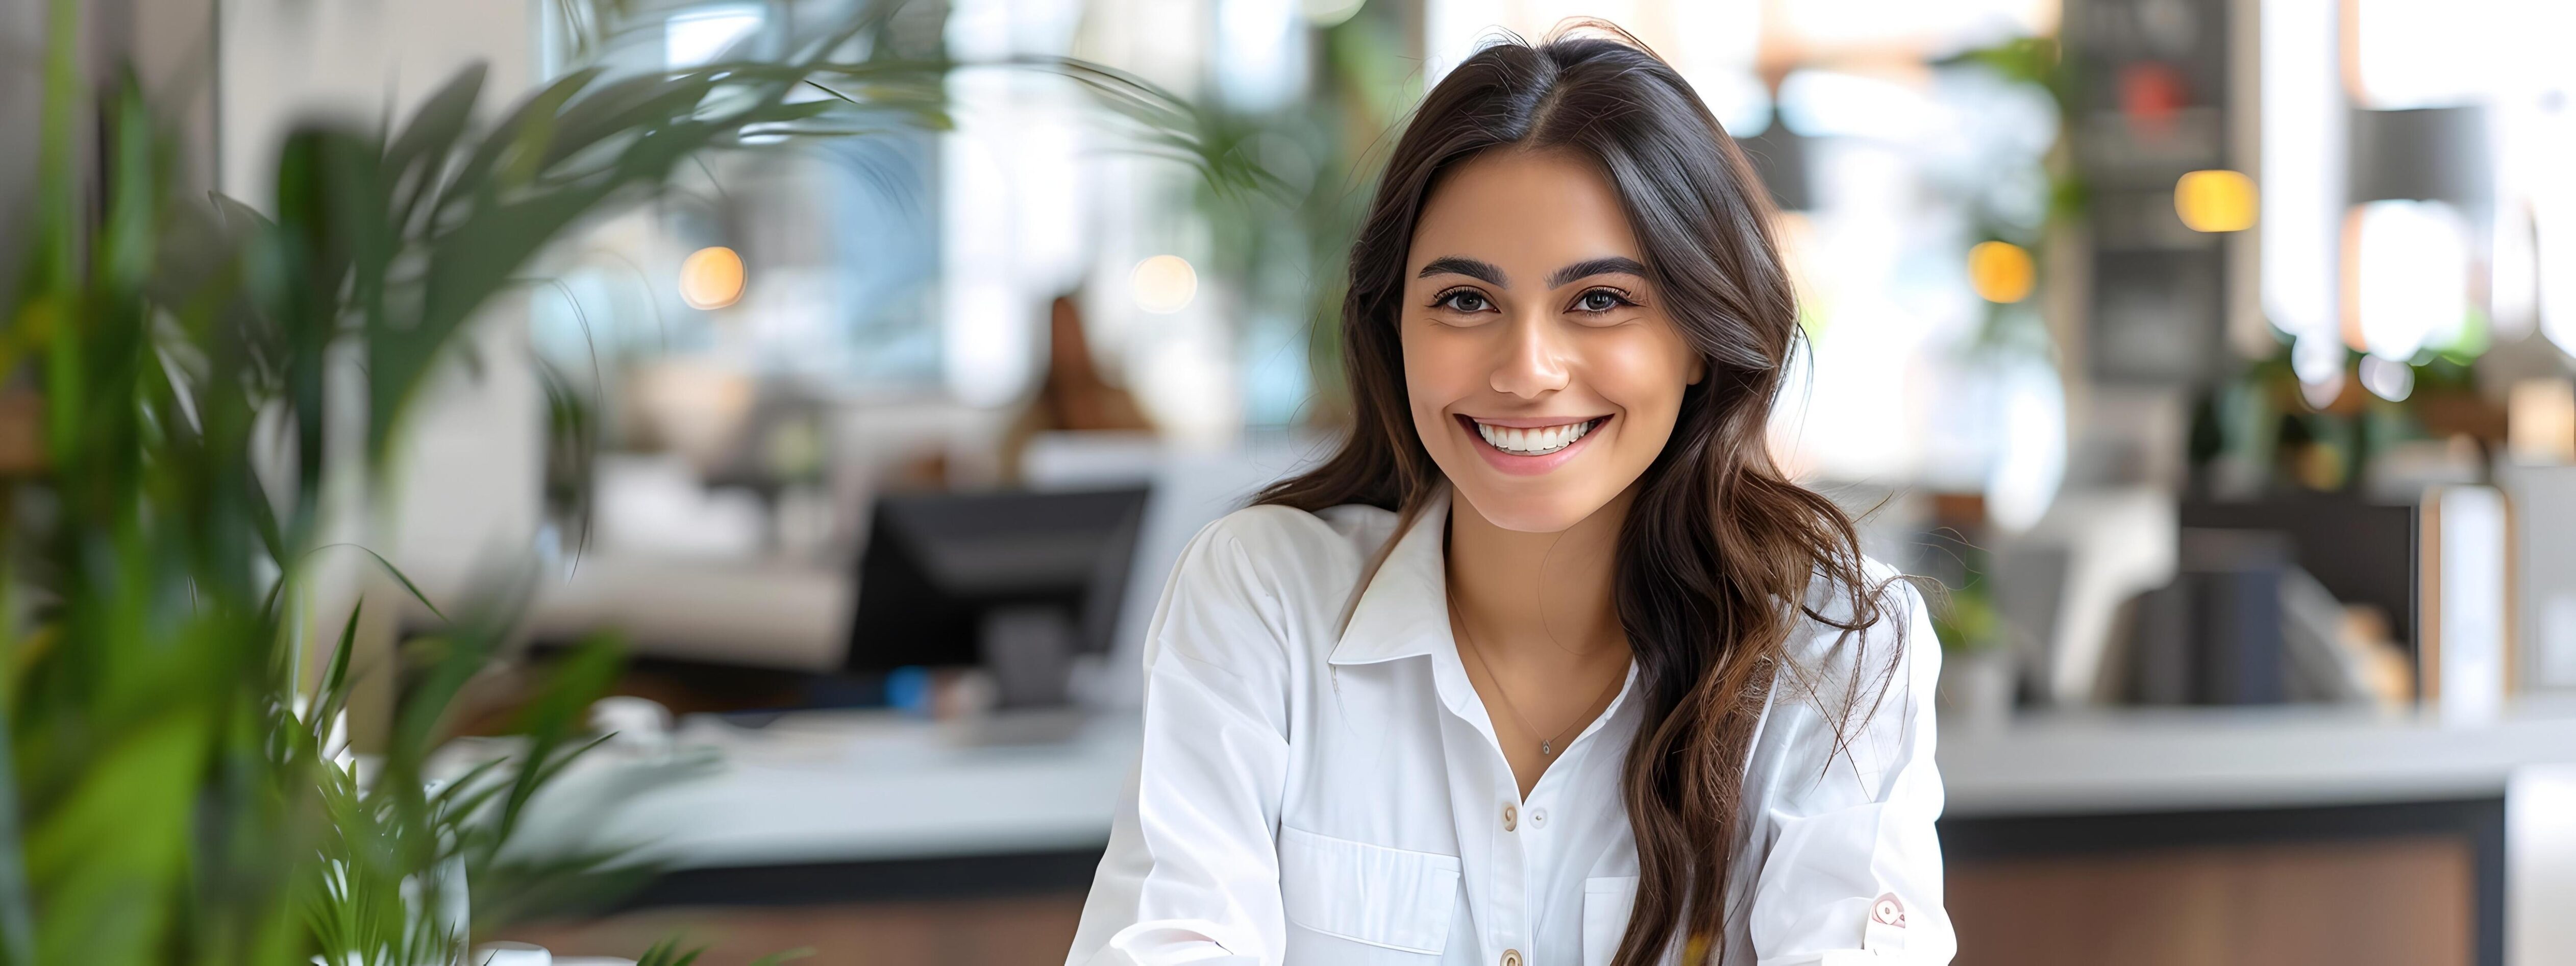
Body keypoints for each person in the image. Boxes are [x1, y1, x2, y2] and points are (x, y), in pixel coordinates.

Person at [1067, 28, 1951, 966]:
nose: (1528, 372)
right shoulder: (1264, 600)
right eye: (1465, 301)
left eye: (1601, 300)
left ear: (1699, 335)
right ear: (1394, 326)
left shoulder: (1837, 645)